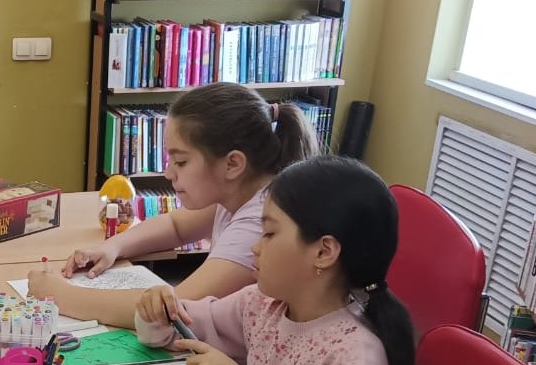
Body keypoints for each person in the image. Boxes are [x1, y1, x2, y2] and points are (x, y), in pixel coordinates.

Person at [135, 156, 419, 365]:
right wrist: (156, 314)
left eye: (269, 233)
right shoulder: (262, 305)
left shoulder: (354, 353)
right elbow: (176, 331)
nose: (255, 247)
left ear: (324, 251)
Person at [28, 83, 320, 329]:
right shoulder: (239, 192)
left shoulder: (259, 223)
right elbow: (175, 226)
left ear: (232, 164)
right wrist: (111, 247)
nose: (169, 173)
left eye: (180, 161)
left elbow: (170, 310)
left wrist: (60, 295)